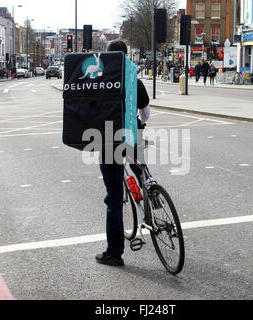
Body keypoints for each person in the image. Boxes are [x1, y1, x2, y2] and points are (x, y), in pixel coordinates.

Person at [96, 40, 151, 267]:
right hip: (133, 133)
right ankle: (152, 197)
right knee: (141, 170)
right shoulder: (134, 81)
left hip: (110, 138)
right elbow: (145, 113)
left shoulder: (99, 81)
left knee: (114, 198)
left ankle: (114, 253)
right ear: (126, 56)